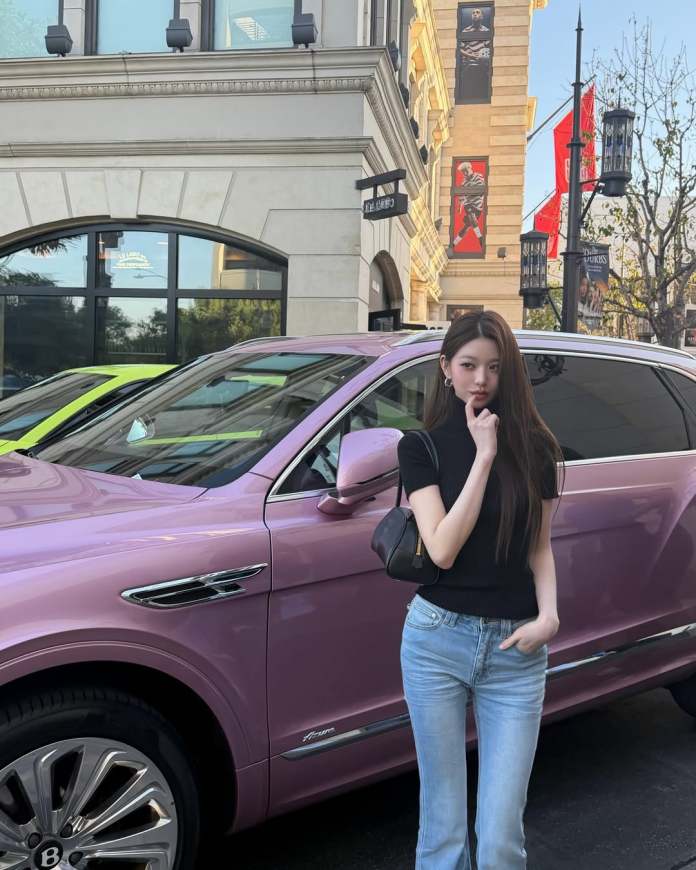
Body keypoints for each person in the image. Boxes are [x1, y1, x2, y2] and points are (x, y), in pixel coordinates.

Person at [397, 310, 564, 870]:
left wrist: (549, 617)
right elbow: (441, 548)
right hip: (436, 641)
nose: (481, 380)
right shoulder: (421, 447)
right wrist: (484, 456)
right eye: (468, 365)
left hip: (517, 649)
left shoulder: (536, 447)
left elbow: (539, 546)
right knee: (442, 833)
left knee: (499, 838)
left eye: (494, 367)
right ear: (446, 368)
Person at [451, 161, 486, 252]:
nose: (465, 173)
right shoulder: (464, 182)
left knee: (467, 227)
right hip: (469, 205)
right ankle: (480, 238)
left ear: (470, 168)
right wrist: (460, 206)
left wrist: (471, 193)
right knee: (470, 213)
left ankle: (454, 243)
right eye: (463, 172)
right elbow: (462, 196)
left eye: (466, 171)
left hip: (478, 206)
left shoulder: (478, 176)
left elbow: (481, 189)